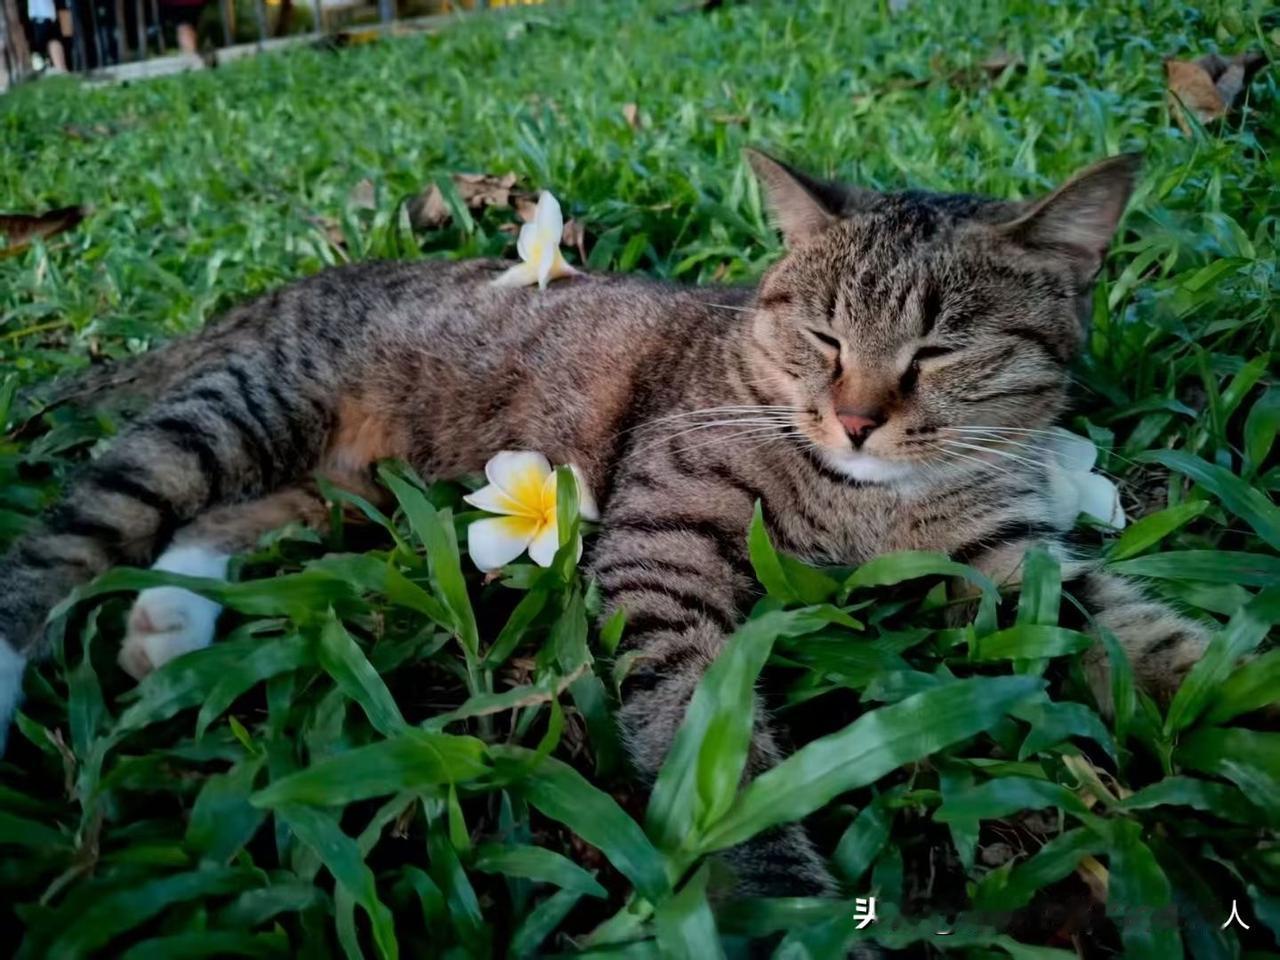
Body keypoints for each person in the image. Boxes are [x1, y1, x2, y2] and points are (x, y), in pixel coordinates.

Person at [27, 0, 67, 71]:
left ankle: (60, 68)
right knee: (50, 40)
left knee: (51, 39)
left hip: (43, 14)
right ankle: (59, 67)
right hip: (44, 13)